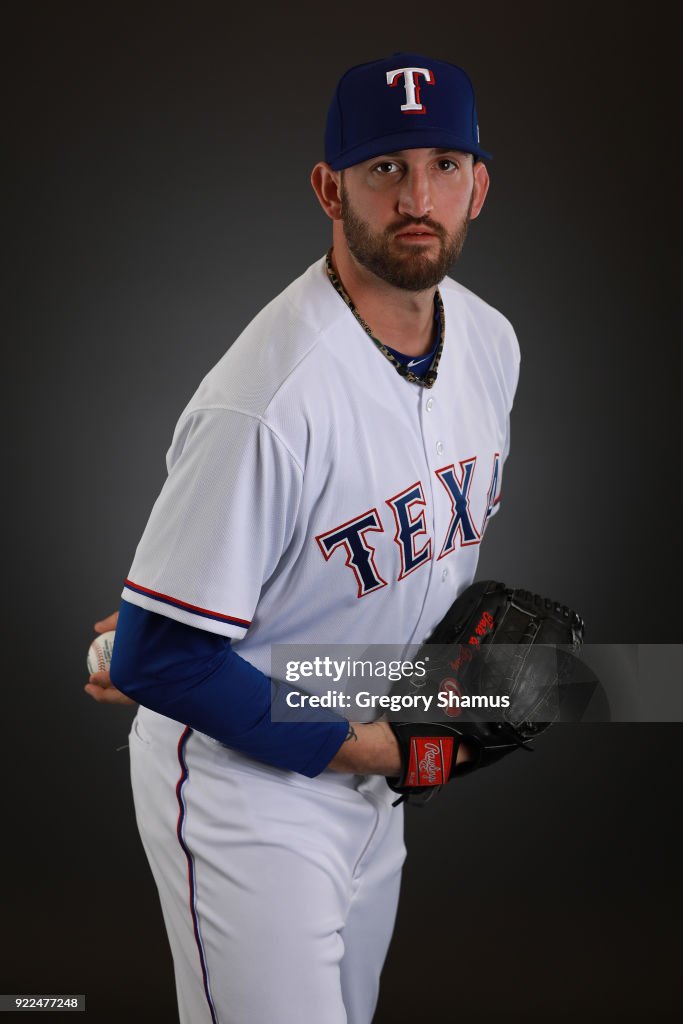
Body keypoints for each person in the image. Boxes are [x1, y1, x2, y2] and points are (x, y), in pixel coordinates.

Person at [86, 52, 519, 1024]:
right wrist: (374, 742)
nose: (417, 195)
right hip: (246, 792)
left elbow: (381, 559)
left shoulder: (489, 344)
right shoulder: (266, 400)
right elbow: (166, 657)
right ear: (330, 187)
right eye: (382, 169)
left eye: (443, 164)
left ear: (477, 187)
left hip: (372, 777)